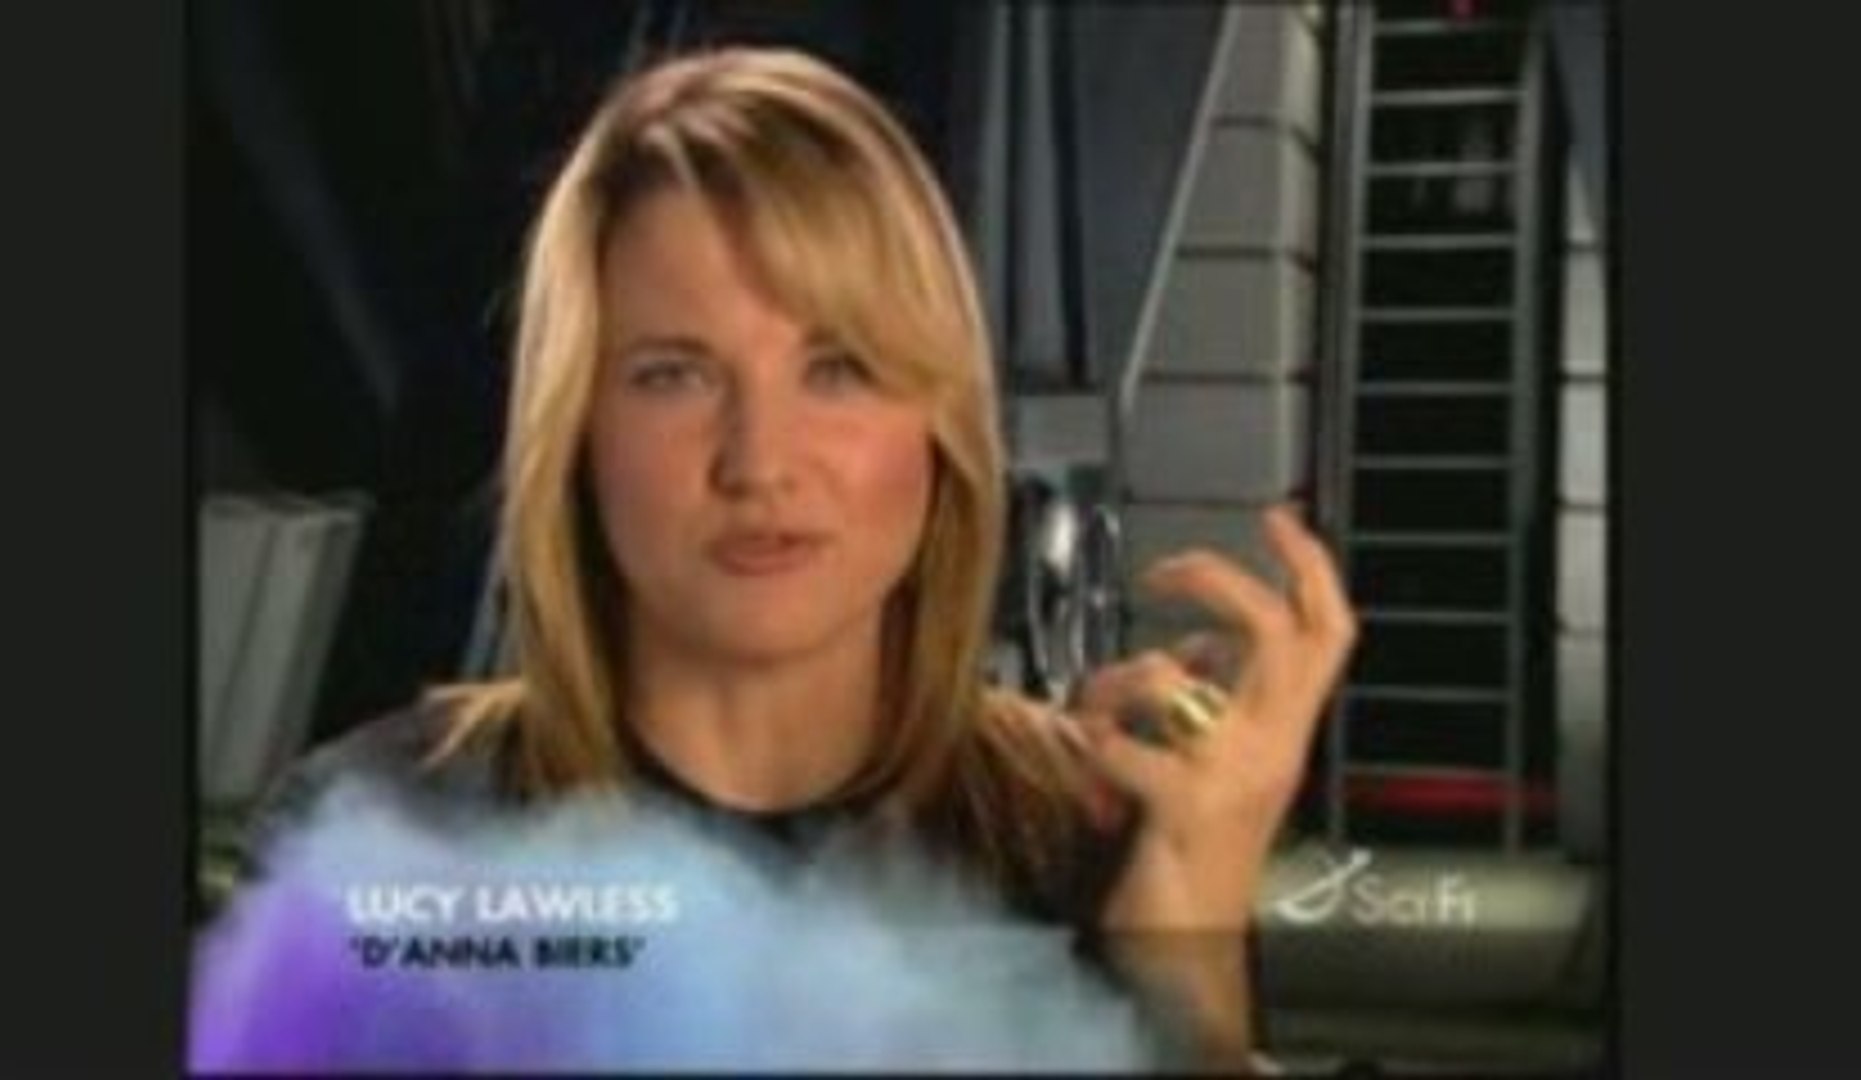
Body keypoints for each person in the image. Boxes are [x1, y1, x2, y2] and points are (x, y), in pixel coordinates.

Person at [226, 44, 1356, 1072]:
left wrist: (1187, 960)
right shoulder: (378, 832)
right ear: (576, 432)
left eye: (838, 368)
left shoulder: (1086, 834)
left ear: (941, 427)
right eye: (674, 374)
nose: (759, 462)